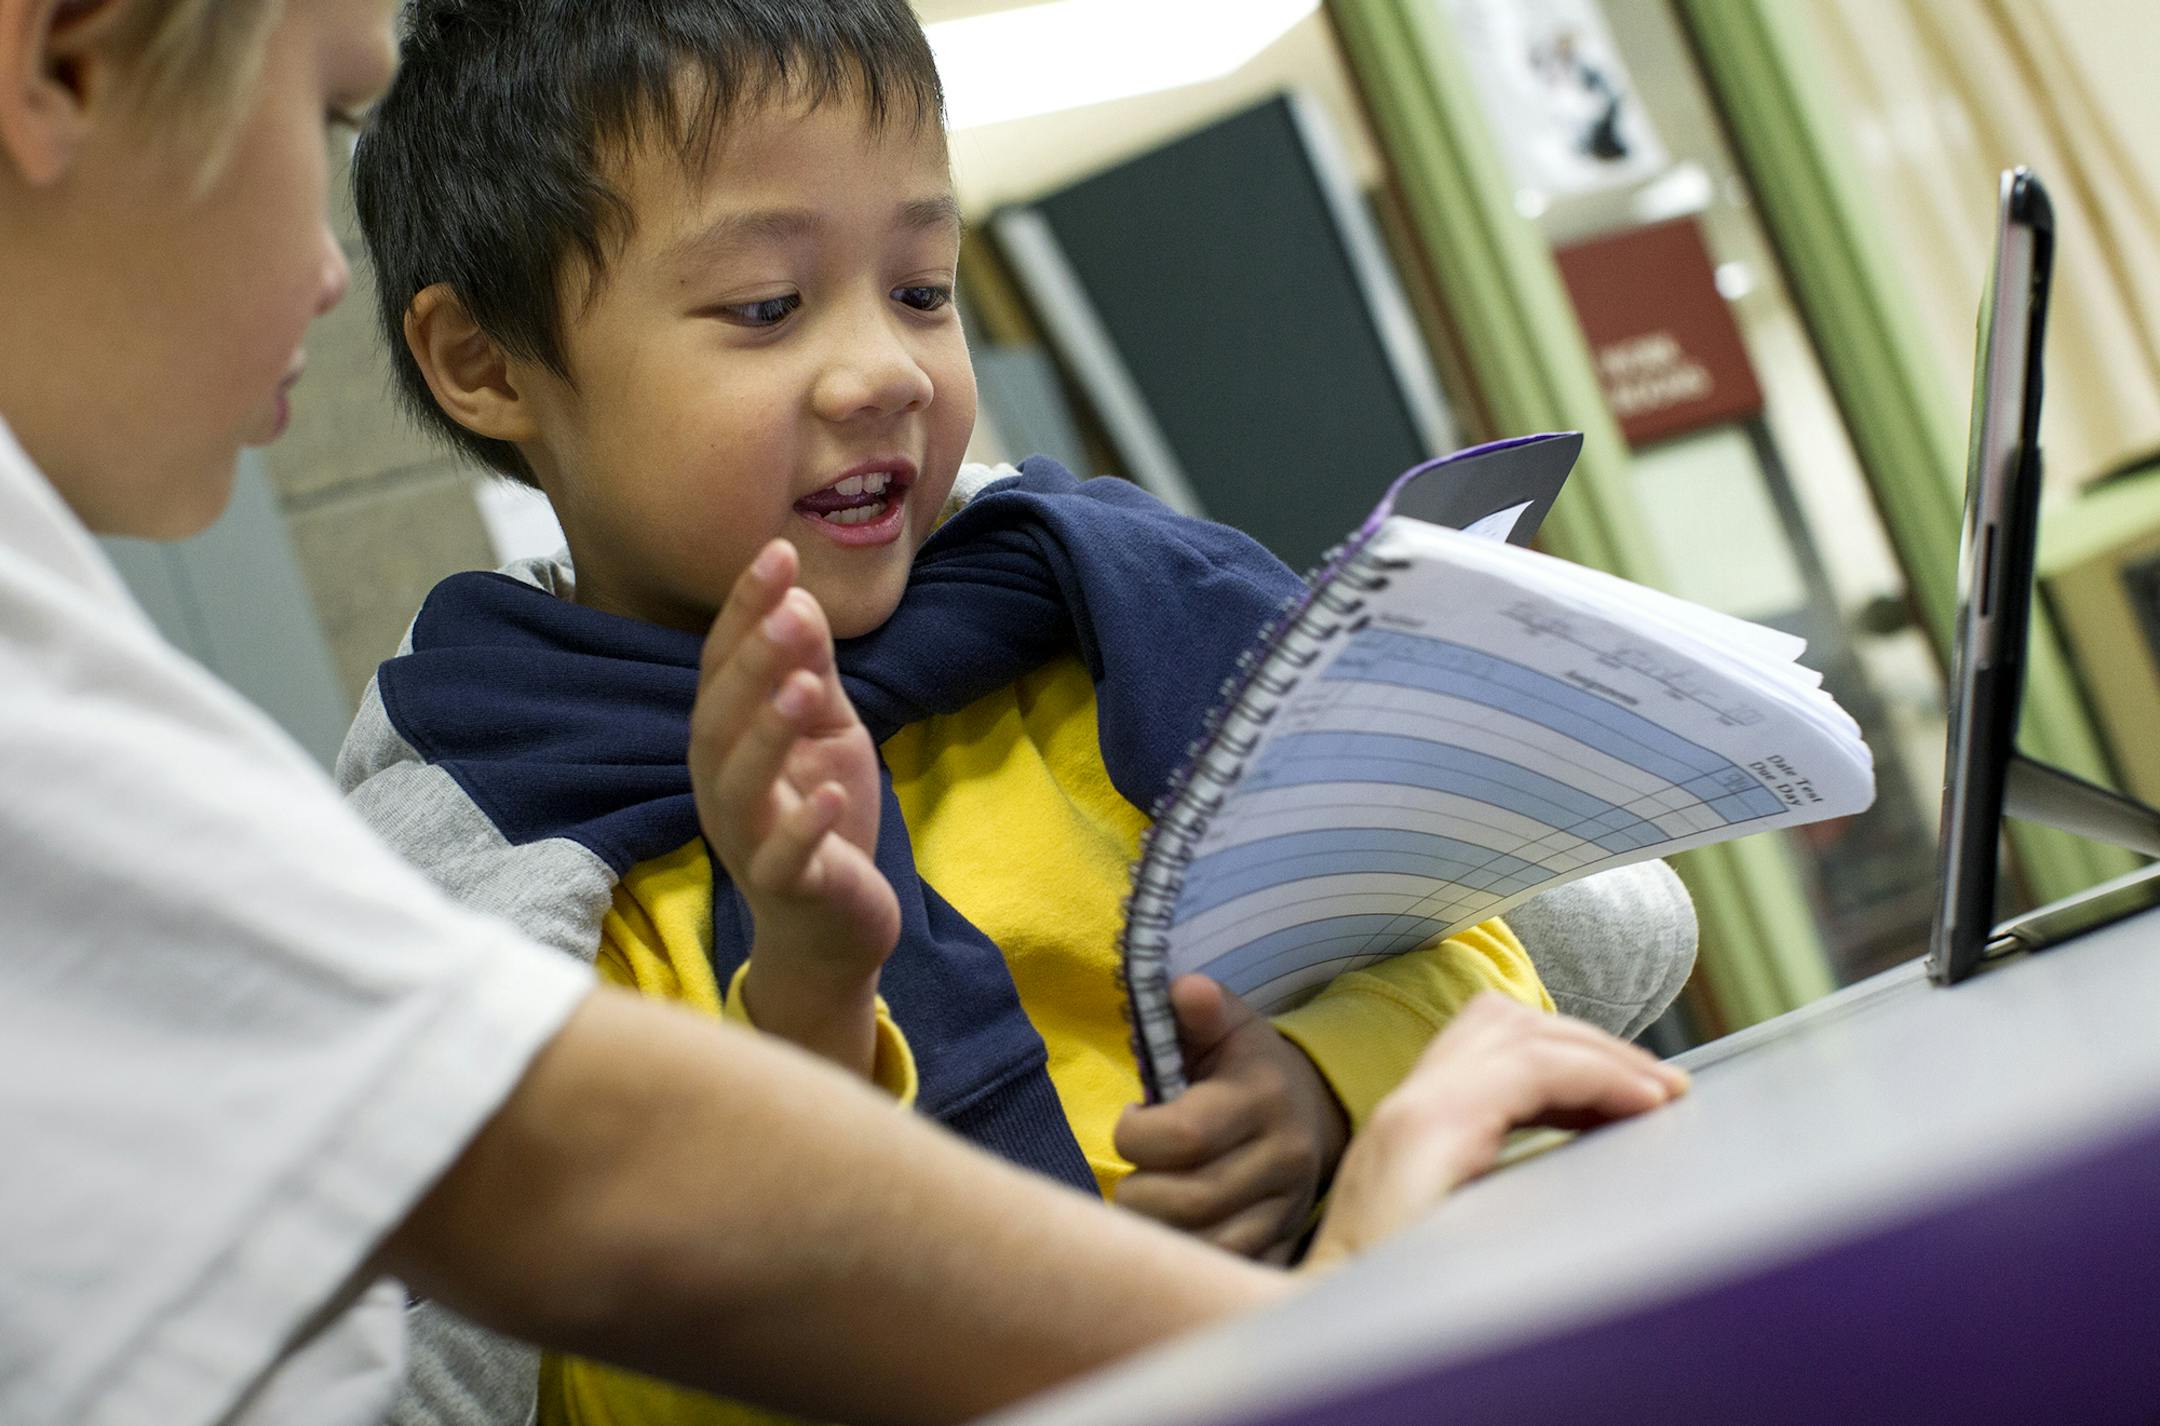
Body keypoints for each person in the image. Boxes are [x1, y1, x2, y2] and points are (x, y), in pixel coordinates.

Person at [0, 0, 1688, 1424]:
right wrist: (809, 1003)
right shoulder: (482, 844)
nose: (883, 366)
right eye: (762, 306)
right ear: (485, 363)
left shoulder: (1110, 607)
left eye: (928, 288)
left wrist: (1336, 1072)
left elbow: (1590, 920)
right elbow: (531, 1337)